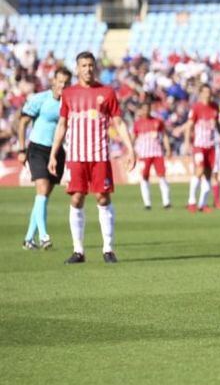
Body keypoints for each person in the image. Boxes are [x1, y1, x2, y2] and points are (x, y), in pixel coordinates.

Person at [48, 51, 136, 264]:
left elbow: (119, 122)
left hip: (99, 155)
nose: (87, 69)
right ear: (77, 69)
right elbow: (62, 125)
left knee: (103, 198)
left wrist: (130, 149)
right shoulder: (68, 94)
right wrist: (53, 153)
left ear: (94, 67)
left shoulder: (106, 92)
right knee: (76, 198)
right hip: (76, 156)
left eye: (90, 65)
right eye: (83, 65)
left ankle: (108, 249)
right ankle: (78, 251)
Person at [17, 66, 72, 250]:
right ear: (53, 81)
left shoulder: (69, 103)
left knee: (44, 195)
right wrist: (21, 148)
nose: (62, 86)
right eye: (59, 82)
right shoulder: (40, 99)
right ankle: (44, 236)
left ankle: (28, 239)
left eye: (66, 83)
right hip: (37, 149)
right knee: (41, 190)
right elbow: (23, 122)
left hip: (56, 152)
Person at [185, 84, 220, 213]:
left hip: (211, 146)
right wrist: (186, 142)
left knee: (208, 174)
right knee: (199, 170)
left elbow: (217, 124)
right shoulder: (196, 108)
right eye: (205, 92)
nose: (208, 94)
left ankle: (203, 204)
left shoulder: (215, 107)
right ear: (201, 93)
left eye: (209, 91)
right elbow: (189, 125)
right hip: (199, 145)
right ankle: (191, 202)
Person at [132, 100, 172, 210]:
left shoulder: (158, 121)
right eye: (144, 109)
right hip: (144, 154)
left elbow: (164, 135)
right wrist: (131, 151)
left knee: (162, 176)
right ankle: (147, 203)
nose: (146, 111)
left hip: (157, 152)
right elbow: (133, 138)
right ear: (140, 110)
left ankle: (166, 202)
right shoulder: (137, 123)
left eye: (148, 108)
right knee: (144, 177)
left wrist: (168, 148)